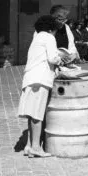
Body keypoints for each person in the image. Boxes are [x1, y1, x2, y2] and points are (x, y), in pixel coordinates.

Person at [18, 15, 68, 158]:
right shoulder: (49, 37)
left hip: (30, 78)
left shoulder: (37, 37)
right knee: (37, 114)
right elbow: (52, 58)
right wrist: (62, 59)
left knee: (31, 114)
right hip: (40, 79)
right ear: (51, 29)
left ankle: (29, 146)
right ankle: (35, 147)